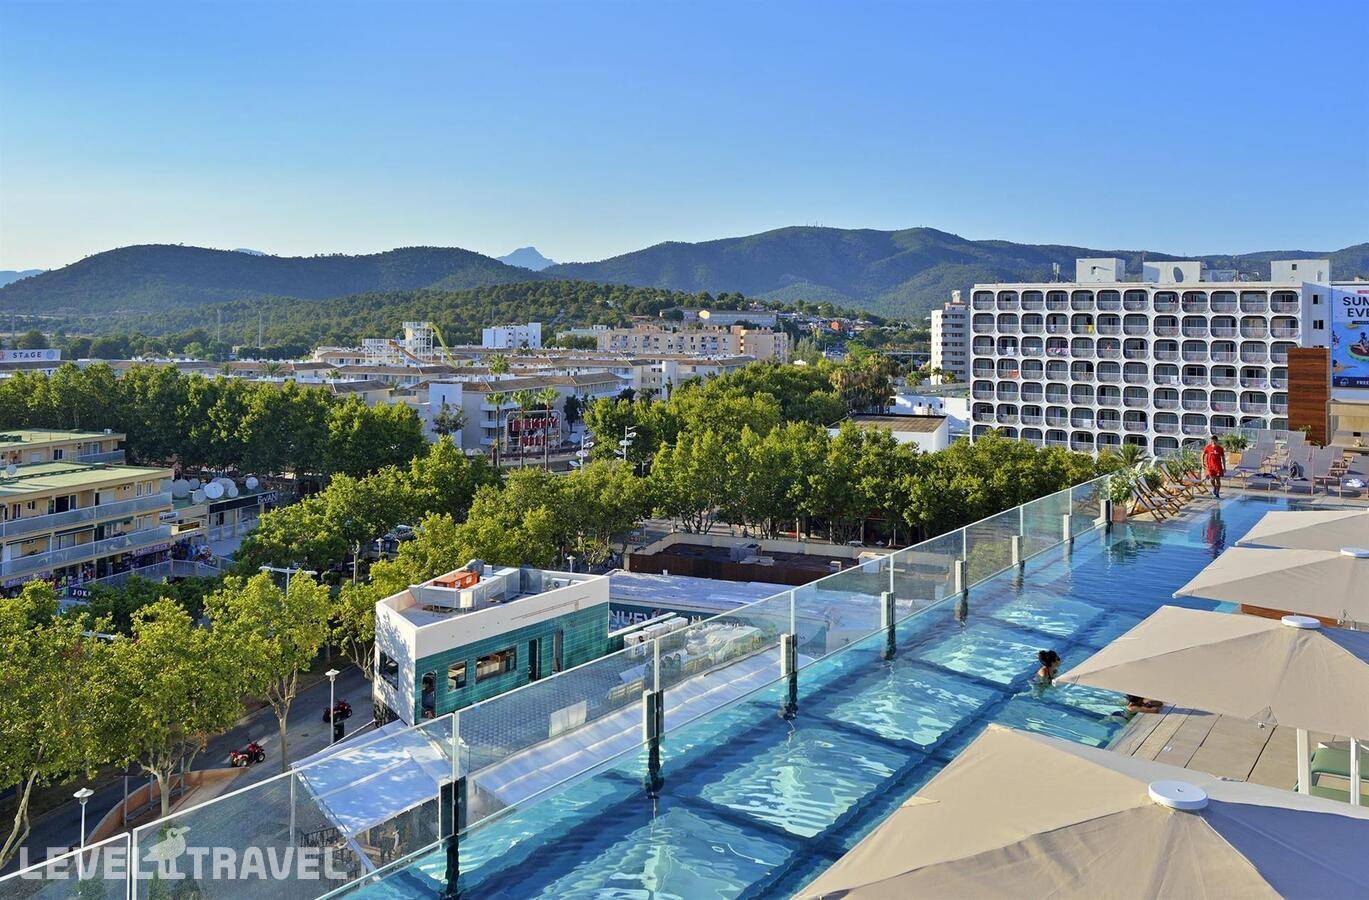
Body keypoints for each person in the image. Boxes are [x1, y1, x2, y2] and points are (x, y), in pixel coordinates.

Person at [1203, 435, 1226, 499]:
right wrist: (1203, 463)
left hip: (1218, 467)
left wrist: (1224, 467)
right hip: (1210, 467)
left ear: (1216, 441)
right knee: (1212, 480)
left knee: (1218, 480)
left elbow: (1223, 458)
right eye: (1212, 441)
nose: (1213, 442)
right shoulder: (1208, 447)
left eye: (1214, 441)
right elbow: (1203, 454)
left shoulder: (1220, 448)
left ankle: (1217, 493)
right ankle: (1215, 487)